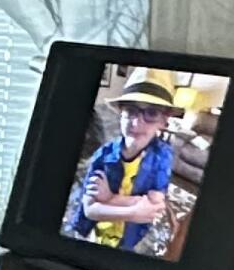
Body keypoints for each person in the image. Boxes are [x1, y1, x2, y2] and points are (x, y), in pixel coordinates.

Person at [67, 75, 181, 253]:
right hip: (97, 230)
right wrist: (135, 210)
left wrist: (109, 199)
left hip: (131, 234)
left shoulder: (162, 156)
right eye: (131, 110)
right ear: (121, 112)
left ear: (163, 120)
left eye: (151, 113)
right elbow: (89, 209)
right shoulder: (103, 156)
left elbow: (154, 206)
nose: (136, 123)